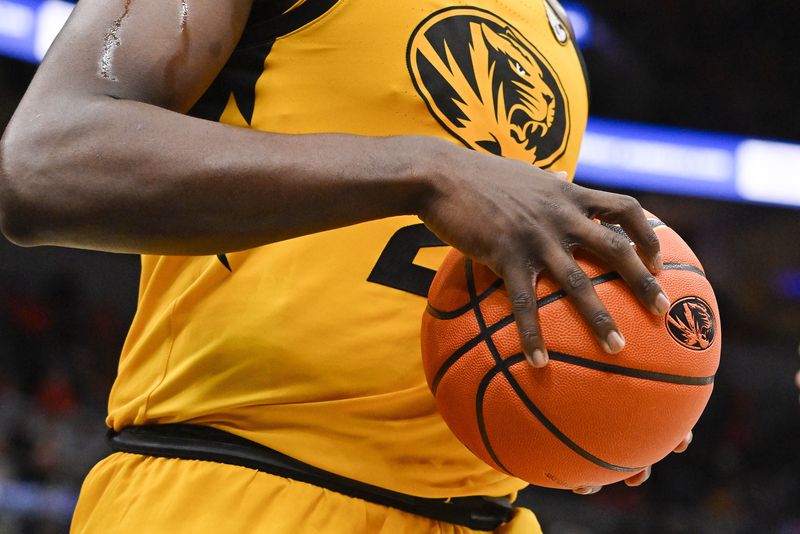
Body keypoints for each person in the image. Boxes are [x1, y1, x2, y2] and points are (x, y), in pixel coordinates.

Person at [0, 0, 690, 532]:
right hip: (240, 488)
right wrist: (422, 169)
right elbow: (45, 161)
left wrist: (620, 392)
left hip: (485, 512)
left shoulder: (553, 27)